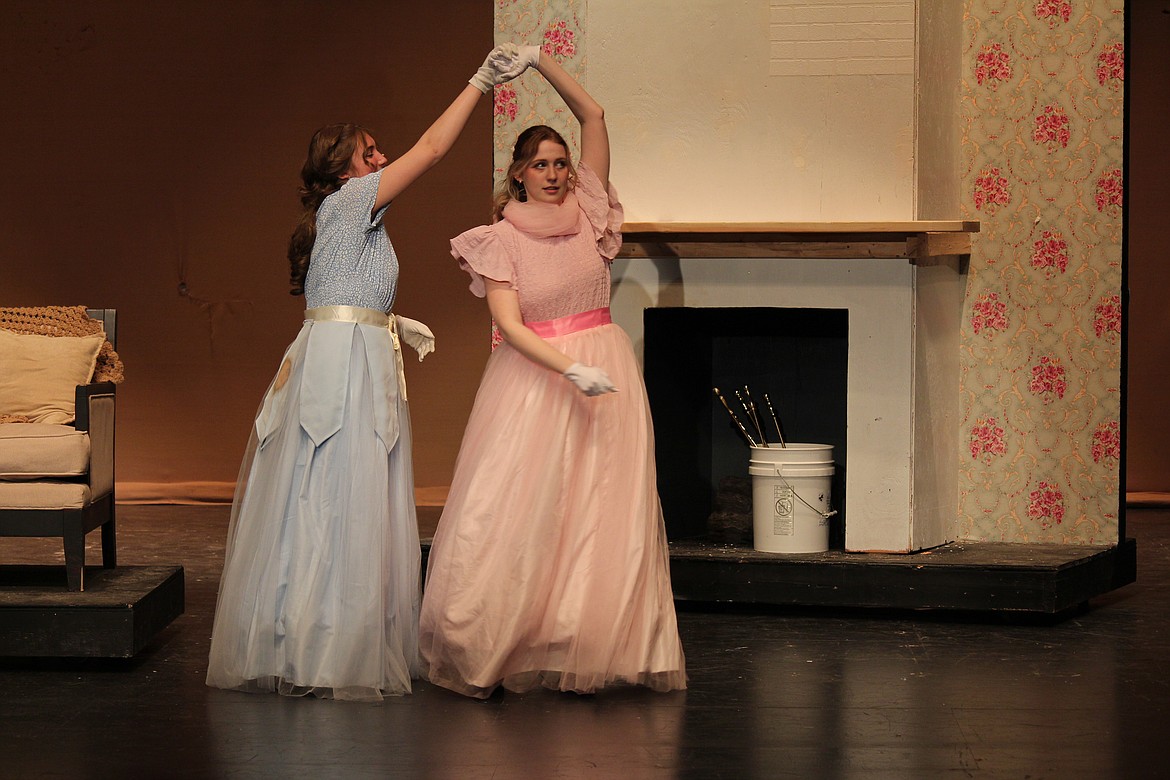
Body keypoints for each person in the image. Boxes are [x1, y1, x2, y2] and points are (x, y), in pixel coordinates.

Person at [206, 45, 528, 702]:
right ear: (343, 168)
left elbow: (342, 292)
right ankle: (323, 643)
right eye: (371, 152)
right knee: (335, 491)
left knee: (337, 489)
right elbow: (434, 149)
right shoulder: (353, 200)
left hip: (350, 352)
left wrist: (391, 322)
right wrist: (478, 81)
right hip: (341, 366)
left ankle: (324, 637)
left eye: (380, 152)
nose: (381, 160)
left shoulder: (352, 212)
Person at [418, 47, 687, 698]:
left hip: (603, 362)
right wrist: (572, 370)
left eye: (561, 163)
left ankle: (587, 637)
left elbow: (593, 114)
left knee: (599, 510)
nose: (555, 173)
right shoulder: (499, 240)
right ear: (518, 174)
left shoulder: (590, 214)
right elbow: (510, 327)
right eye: (541, 164)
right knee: (520, 507)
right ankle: (490, 630)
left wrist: (540, 62)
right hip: (540, 377)